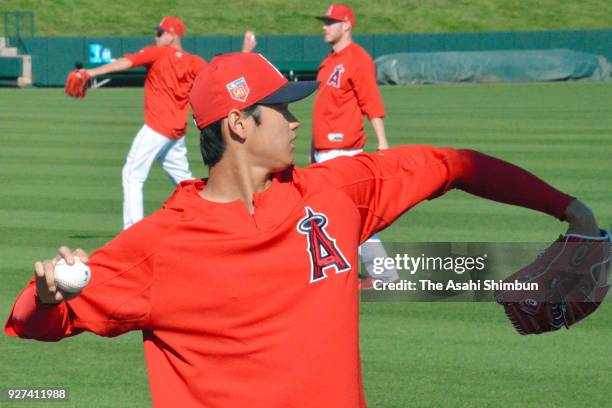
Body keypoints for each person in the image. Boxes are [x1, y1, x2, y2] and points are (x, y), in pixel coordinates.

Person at [5, 52, 607, 407]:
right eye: (284, 109)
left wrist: (567, 208)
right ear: (239, 124)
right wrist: (46, 293)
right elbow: (41, 323)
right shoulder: (159, 246)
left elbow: (453, 165)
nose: (298, 121)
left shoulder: (335, 191)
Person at [83, 16, 256, 229]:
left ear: (172, 35)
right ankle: (219, 213)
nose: (156, 37)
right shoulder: (195, 62)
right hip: (176, 132)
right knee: (184, 180)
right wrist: (246, 51)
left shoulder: (157, 53)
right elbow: (221, 77)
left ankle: (133, 230)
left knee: (132, 175)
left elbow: (126, 62)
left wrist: (90, 72)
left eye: (160, 33)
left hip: (157, 127)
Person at [312, 4, 395, 288]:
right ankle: (338, 266)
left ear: (346, 25)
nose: (325, 26)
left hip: (343, 149)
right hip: (324, 149)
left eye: (331, 22)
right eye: (325, 21)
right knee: (331, 213)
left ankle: (382, 273)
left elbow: (371, 101)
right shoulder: (330, 60)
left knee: (346, 214)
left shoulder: (357, 59)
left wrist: (382, 143)